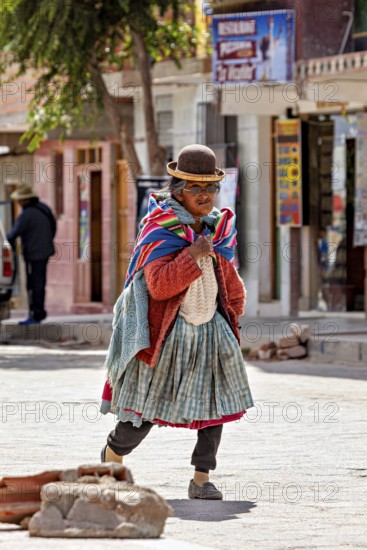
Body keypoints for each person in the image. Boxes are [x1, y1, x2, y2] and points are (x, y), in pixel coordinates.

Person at [100, 144, 254, 500]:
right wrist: (192, 254)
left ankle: (201, 480)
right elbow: (158, 285)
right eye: (195, 188)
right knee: (146, 412)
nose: (204, 195)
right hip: (167, 334)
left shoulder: (218, 228)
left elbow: (227, 277)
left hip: (211, 330)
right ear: (178, 190)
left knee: (217, 406)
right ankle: (110, 461)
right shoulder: (161, 228)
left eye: (210, 187)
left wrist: (233, 312)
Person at [7, 184, 57, 325]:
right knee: (40, 284)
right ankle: (38, 313)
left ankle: (35, 315)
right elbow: (53, 228)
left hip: (33, 254)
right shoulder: (44, 209)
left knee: (33, 285)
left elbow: (12, 234)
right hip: (45, 251)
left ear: (25, 200)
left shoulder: (26, 214)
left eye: (19, 200)